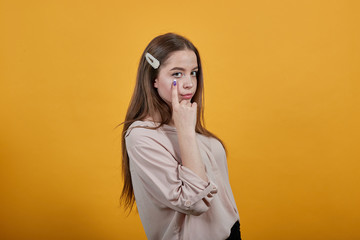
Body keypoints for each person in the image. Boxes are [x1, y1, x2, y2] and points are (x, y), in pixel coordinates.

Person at [119, 33, 241, 240]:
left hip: (230, 233)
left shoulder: (184, 119)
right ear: (154, 79)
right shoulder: (142, 136)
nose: (189, 83)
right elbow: (194, 203)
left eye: (193, 72)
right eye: (177, 74)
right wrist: (185, 130)